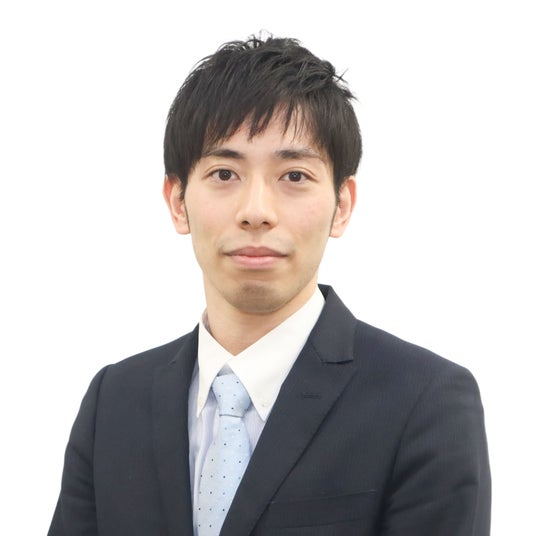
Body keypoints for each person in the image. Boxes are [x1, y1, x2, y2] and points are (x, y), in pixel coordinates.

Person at [48, 35, 491, 536]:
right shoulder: (113, 402)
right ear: (177, 201)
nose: (256, 211)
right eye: (224, 173)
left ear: (342, 205)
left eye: (294, 176)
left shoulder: (425, 401)